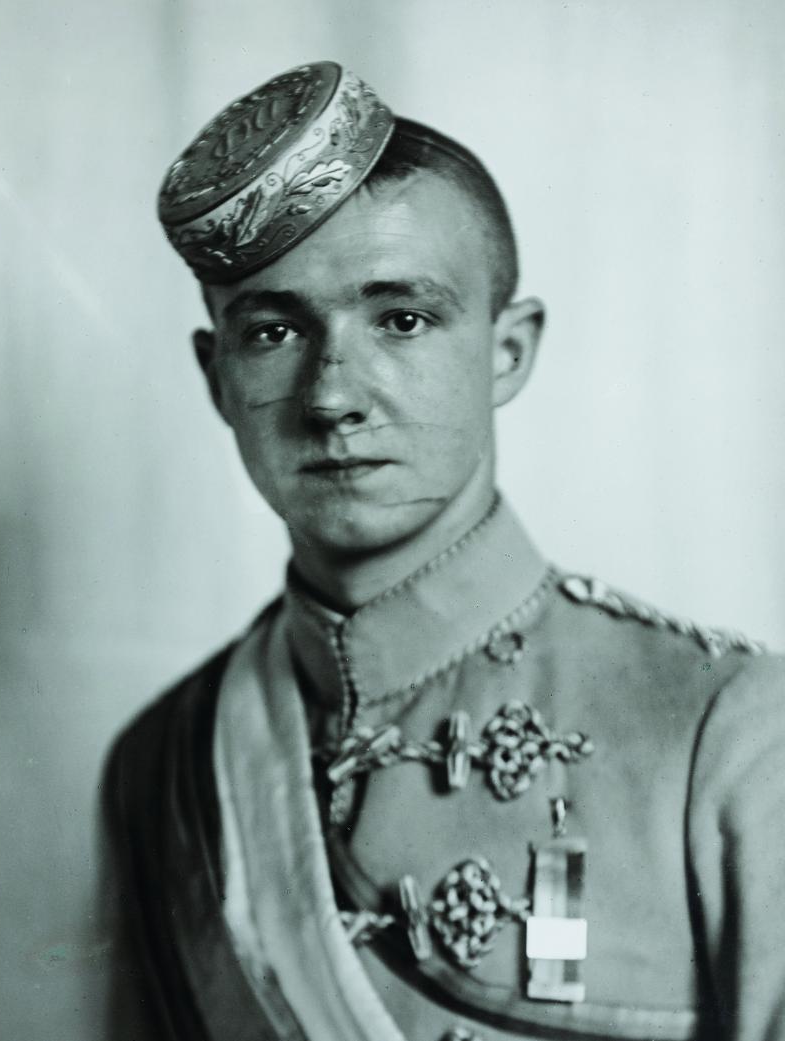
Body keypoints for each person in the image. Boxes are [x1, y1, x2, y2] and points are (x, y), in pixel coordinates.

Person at [104, 61, 785, 1041]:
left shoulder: (728, 731)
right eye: (273, 330)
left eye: (401, 320)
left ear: (507, 350)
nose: (332, 395)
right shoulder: (159, 767)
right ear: (216, 377)